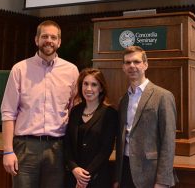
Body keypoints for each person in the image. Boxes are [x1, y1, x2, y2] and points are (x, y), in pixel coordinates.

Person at [0, 20, 79, 188]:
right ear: (36, 40)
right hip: (26, 147)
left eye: (53, 37)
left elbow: (74, 109)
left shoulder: (71, 71)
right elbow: (8, 112)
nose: (49, 40)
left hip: (57, 147)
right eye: (44, 36)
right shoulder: (20, 69)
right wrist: (8, 150)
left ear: (59, 41)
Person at [114, 46, 177, 188]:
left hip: (151, 174)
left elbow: (168, 141)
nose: (132, 66)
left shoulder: (163, 96)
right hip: (125, 170)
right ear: (123, 67)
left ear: (145, 65)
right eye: (127, 63)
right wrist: (117, 177)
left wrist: (162, 181)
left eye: (136, 62)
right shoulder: (122, 100)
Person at [65, 68, 117, 188]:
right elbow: (67, 144)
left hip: (97, 178)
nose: (89, 89)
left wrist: (84, 177)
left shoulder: (110, 113)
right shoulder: (75, 111)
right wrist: (74, 168)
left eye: (94, 85)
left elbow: (105, 150)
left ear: (101, 88)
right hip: (73, 176)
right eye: (85, 84)